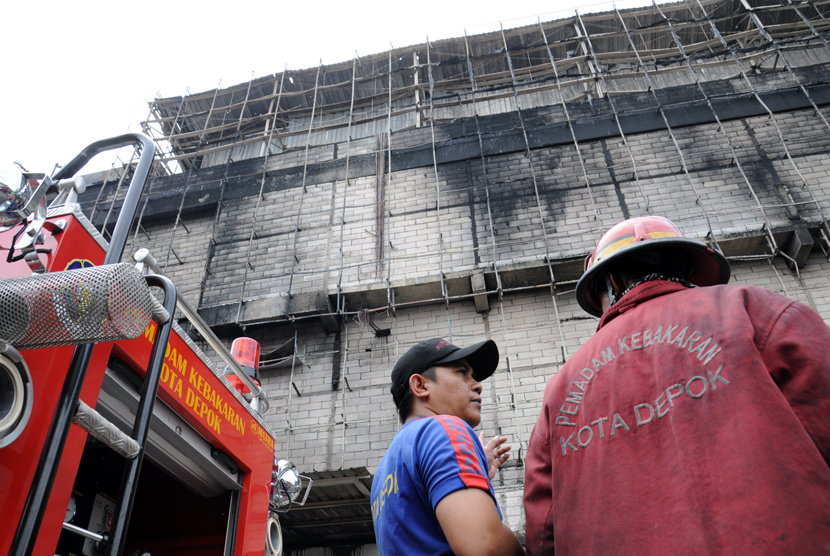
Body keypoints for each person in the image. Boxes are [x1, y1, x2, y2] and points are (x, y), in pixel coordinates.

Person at [524, 215, 830, 555]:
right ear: (686, 268)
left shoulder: (561, 389)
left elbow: (543, 532)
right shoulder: (758, 310)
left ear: (609, 281)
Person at [371, 337, 525, 556]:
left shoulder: (384, 471)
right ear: (420, 385)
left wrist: (470, 471)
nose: (478, 385)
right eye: (462, 372)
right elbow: (485, 547)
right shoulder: (445, 428)